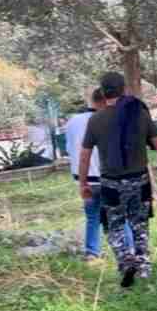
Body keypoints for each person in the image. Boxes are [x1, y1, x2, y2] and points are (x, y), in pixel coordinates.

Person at [79, 72, 157, 288]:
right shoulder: (139, 115)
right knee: (139, 225)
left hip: (111, 184)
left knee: (114, 226)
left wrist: (83, 184)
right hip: (140, 181)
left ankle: (125, 260)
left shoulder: (96, 120)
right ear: (124, 89)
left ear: (103, 93)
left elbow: (84, 155)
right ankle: (143, 269)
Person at [65, 87, 132, 263]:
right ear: (105, 101)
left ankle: (91, 253)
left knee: (93, 217)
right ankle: (129, 252)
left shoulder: (72, 122)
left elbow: (70, 148)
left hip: (85, 179)